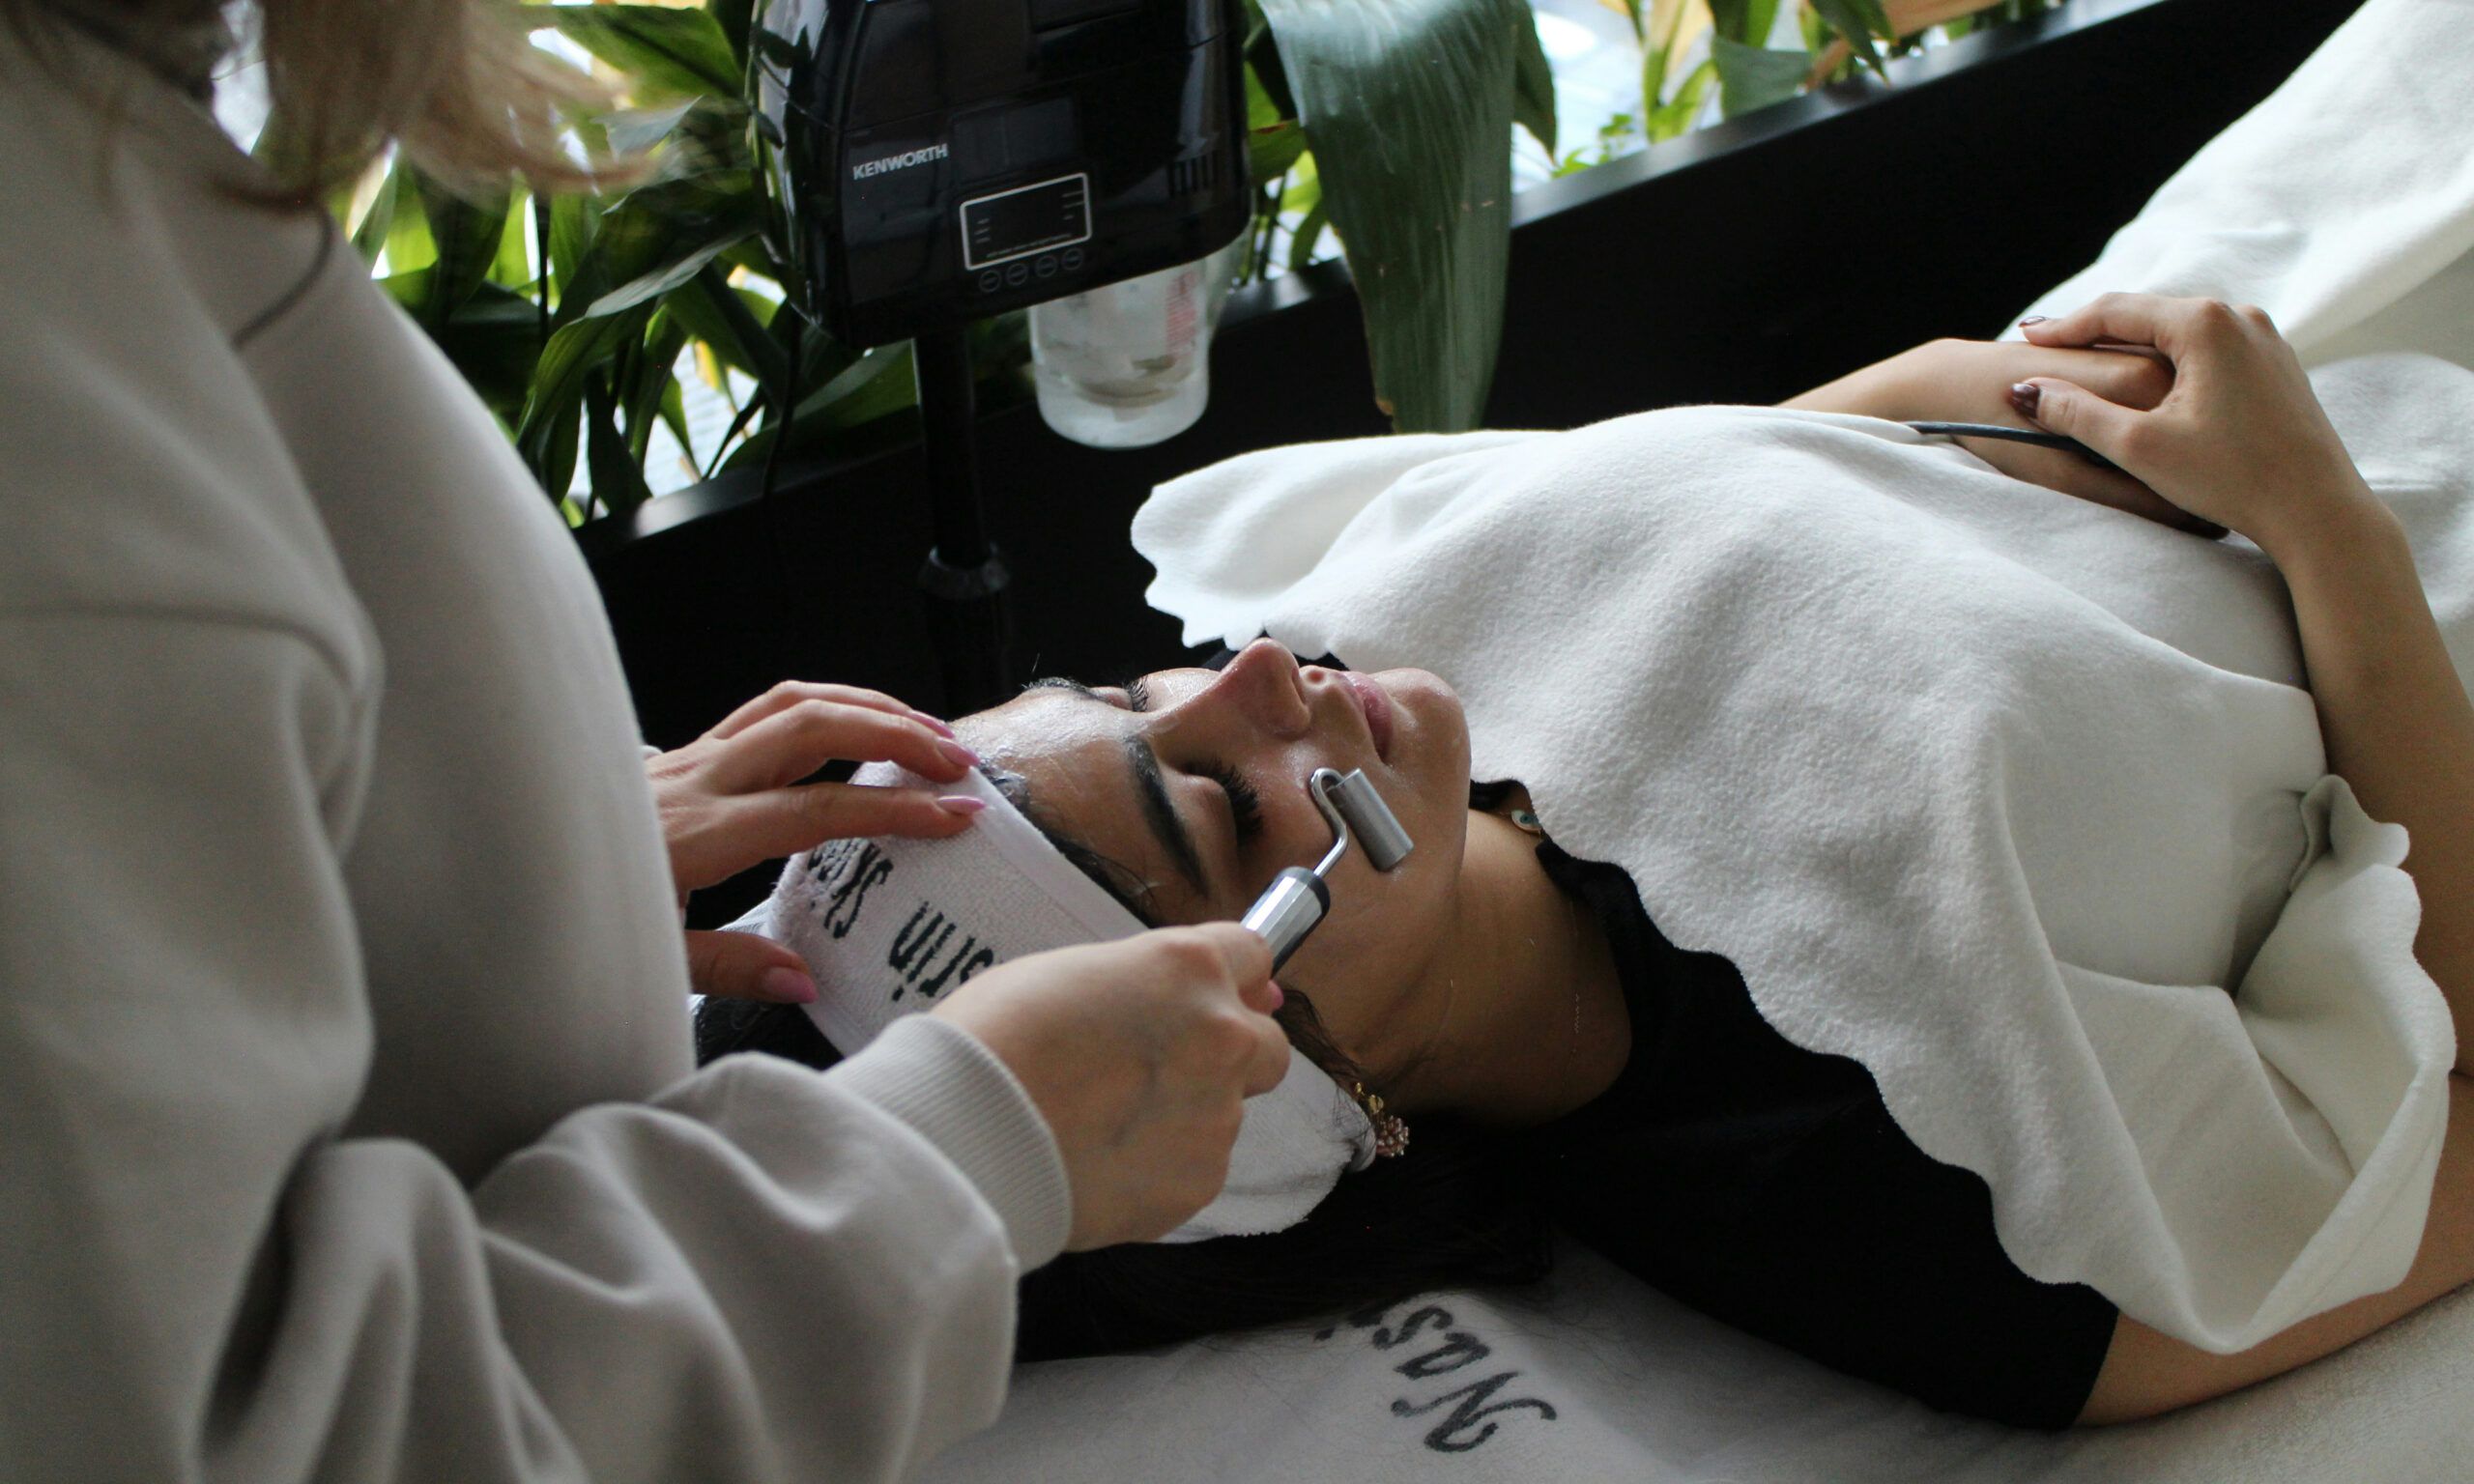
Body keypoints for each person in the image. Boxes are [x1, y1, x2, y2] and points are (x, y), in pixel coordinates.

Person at [702, 304, 2474, 1429]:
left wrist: (2179, 423)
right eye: (1225, 810)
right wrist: (2323, 525)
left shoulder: (1419, 609)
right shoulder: (1898, 1215)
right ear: (1272, 1067)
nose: (1254, 676)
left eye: (1127, 690)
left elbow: (1890, 421)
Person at [0, 3, 1293, 1480]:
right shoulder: (54, 414)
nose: (1257, 663)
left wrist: (495, 861)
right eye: (1204, 804)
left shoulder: (94, 219)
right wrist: (957, 1151)